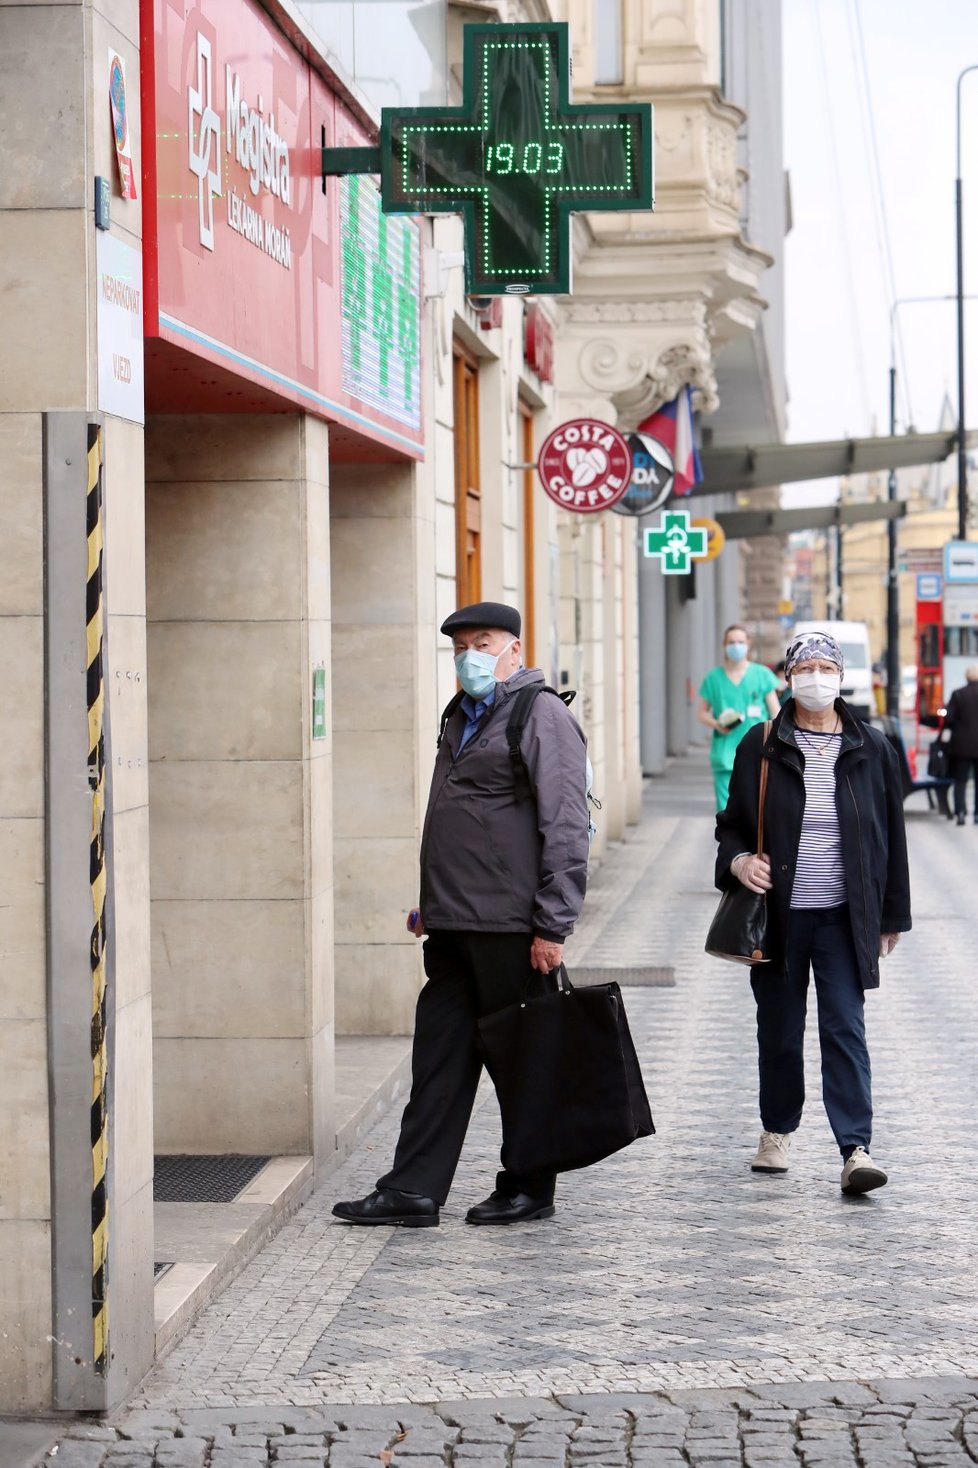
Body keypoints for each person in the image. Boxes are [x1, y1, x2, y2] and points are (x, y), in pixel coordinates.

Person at [333, 601, 590, 1229]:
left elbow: (565, 823)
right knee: (439, 1057)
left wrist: (552, 923)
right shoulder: (462, 714)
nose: (468, 656)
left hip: (510, 927)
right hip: (454, 924)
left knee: (519, 1059)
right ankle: (413, 1189)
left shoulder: (540, 712)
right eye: (458, 647)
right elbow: (459, 819)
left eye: (482, 642)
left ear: (514, 651)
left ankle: (530, 1185)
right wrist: (434, 903)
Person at [715, 630, 912, 1196]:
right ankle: (776, 1131)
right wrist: (739, 863)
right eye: (807, 667)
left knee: (845, 1027)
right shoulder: (761, 743)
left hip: (844, 917)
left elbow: (891, 839)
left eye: (828, 667)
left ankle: (856, 1149)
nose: (817, 677)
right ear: (789, 675)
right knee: (779, 1029)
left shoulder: (873, 748)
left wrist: (890, 914)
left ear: (841, 675)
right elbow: (730, 826)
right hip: (779, 916)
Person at [698, 625, 781, 812]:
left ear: (748, 644)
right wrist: (716, 724)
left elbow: (776, 714)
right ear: (724, 645)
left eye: (740, 642)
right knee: (726, 812)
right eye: (731, 642)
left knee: (754, 811)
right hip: (725, 754)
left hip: (757, 752)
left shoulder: (762, 675)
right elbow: (701, 712)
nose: (736, 646)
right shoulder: (713, 678)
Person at [944, 664, 978, 826]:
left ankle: (961, 813)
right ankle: (977, 815)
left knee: (961, 780)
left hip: (961, 745)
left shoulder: (958, 694)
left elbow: (948, 719)